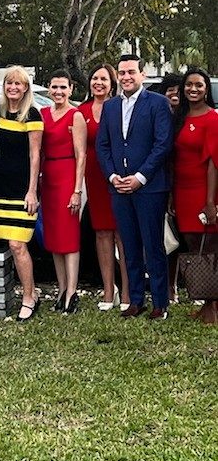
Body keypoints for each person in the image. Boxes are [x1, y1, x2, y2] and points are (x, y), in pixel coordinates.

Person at [96, 54, 174, 320]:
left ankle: (160, 303)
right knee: (129, 246)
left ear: (142, 74)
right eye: (122, 72)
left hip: (149, 187)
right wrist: (112, 176)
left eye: (131, 72)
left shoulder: (158, 104)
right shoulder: (110, 107)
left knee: (153, 245)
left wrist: (141, 176)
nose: (126, 77)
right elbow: (103, 146)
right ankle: (136, 300)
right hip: (119, 187)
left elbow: (163, 144)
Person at [0, 67, 43, 322]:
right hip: (0, 188)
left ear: (25, 88)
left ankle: (28, 297)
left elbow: (35, 156)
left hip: (22, 190)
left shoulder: (32, 114)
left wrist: (32, 191)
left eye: (18, 84)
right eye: (9, 83)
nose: (13, 87)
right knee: (8, 245)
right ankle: (28, 293)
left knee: (18, 245)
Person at [77, 65, 130, 311]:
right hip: (93, 178)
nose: (99, 83)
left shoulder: (120, 107)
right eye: (95, 78)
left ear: (112, 83)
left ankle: (129, 291)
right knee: (102, 233)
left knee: (123, 233)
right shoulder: (81, 111)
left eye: (104, 79)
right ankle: (109, 291)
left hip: (118, 175)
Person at [172, 67, 218, 324]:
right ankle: (205, 302)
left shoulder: (212, 118)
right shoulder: (180, 117)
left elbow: (213, 161)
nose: (193, 89)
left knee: (210, 247)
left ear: (206, 89)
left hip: (204, 190)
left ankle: (213, 306)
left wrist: (210, 202)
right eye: (189, 85)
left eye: (199, 85)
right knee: (192, 245)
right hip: (182, 190)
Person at [40, 70, 87, 314]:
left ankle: (72, 291)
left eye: (63, 87)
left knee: (69, 237)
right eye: (54, 87)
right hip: (48, 177)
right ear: (49, 88)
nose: (58, 92)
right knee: (54, 237)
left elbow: (81, 155)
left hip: (68, 174)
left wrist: (76, 190)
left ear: (71, 89)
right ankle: (60, 289)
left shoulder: (75, 115)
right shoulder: (43, 114)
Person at [150, 73, 186, 303]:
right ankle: (169, 286)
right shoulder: (158, 116)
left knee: (186, 238)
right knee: (167, 238)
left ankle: (195, 283)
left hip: (187, 183)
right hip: (162, 182)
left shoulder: (188, 117)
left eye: (177, 89)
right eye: (168, 90)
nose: (173, 93)